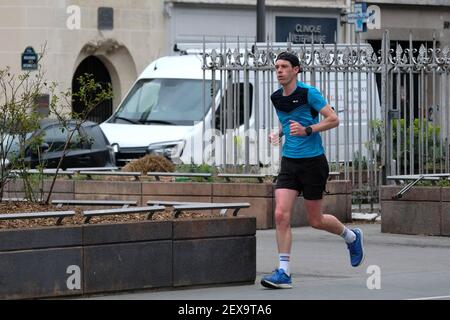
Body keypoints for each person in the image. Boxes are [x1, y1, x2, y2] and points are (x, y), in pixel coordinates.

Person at [261, 52, 365, 289]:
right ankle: (284, 272)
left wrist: (308, 130)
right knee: (280, 215)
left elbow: (333, 119)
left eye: (284, 66)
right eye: (277, 67)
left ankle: (351, 236)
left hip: (313, 163)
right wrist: (279, 133)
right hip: (289, 162)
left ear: (296, 70)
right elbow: (289, 122)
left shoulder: (309, 93)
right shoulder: (276, 97)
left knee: (315, 220)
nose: (279, 71)